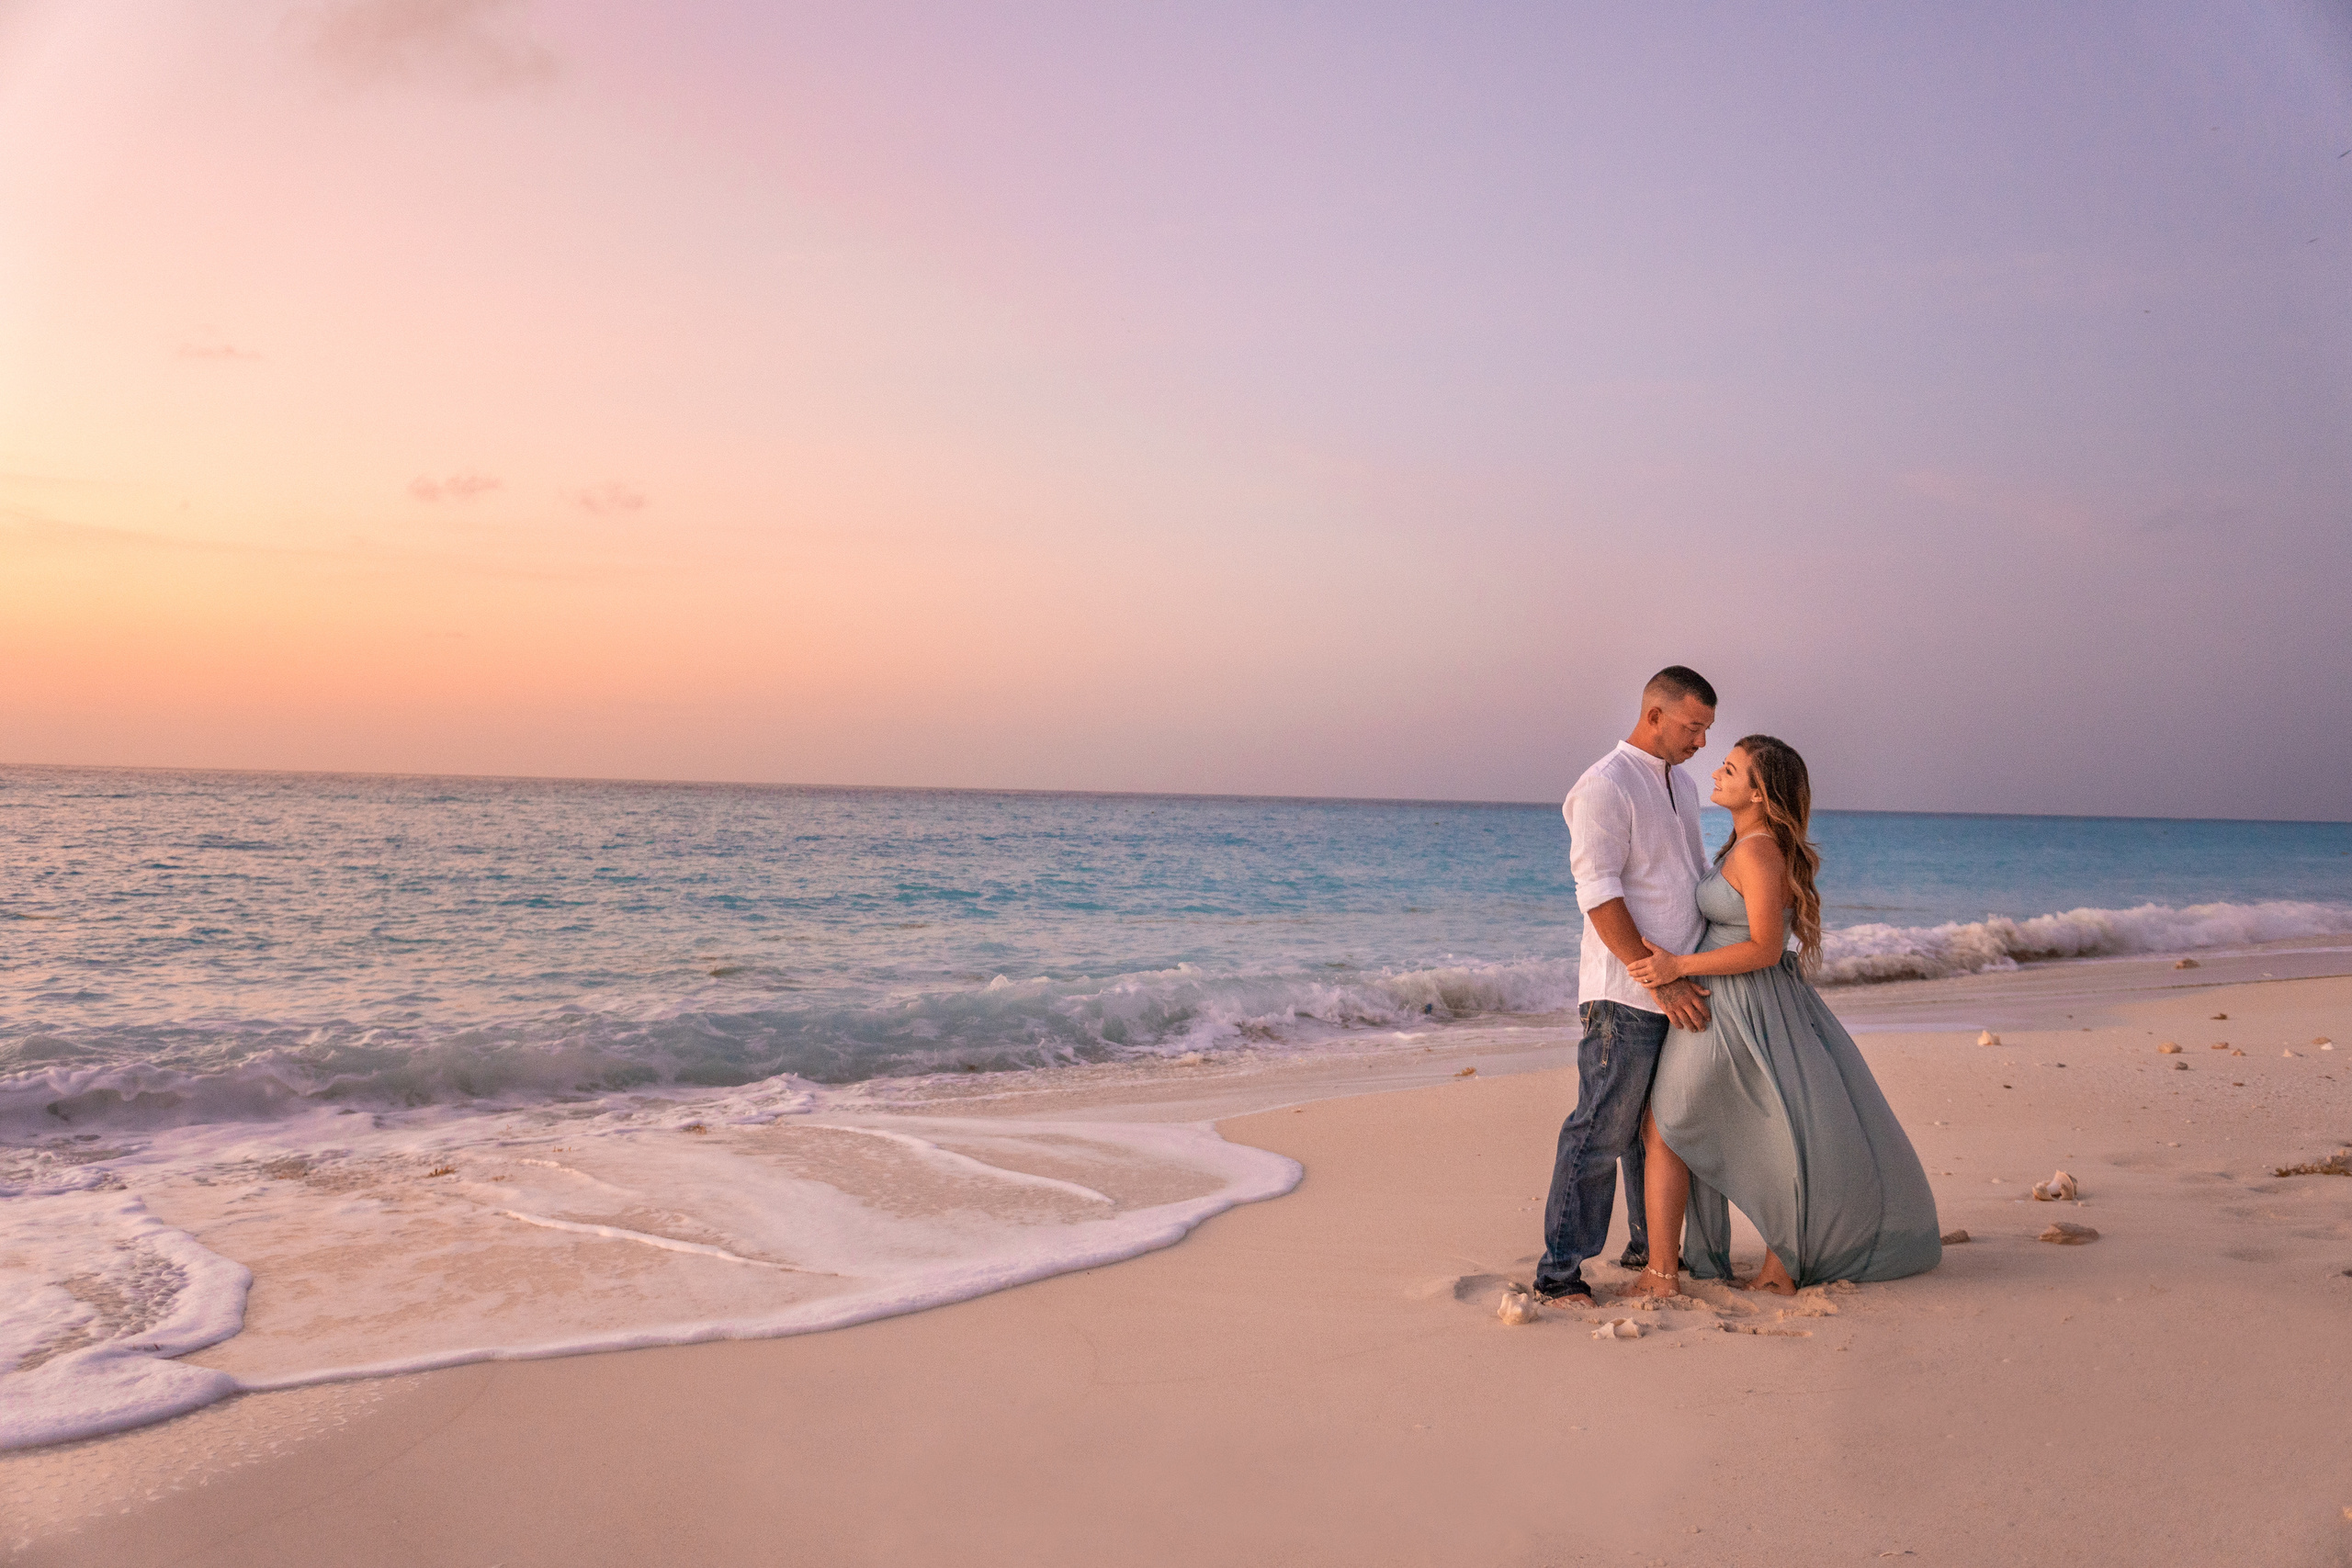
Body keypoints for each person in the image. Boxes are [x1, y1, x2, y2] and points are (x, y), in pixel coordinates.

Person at [1623, 735, 1941, 1297]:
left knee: (1674, 1124)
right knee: (1754, 1125)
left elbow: (1766, 947)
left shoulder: (1757, 852)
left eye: (1730, 769)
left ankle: (1674, 1273)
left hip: (1740, 1004)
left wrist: (1677, 966)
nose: (1716, 772)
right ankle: (1758, 1265)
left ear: (1760, 793)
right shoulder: (1748, 846)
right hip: (1738, 1002)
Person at [1532, 666, 1718, 1302]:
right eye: (1692, 727)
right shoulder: (1604, 785)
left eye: (1707, 730)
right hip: (1625, 993)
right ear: (1654, 715)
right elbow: (1599, 895)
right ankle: (1558, 1273)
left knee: (1656, 1129)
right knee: (1599, 1131)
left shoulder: (1682, 782)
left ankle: (1648, 1248)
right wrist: (1656, 979)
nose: (1701, 742)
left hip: (1678, 984)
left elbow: (1688, 876)